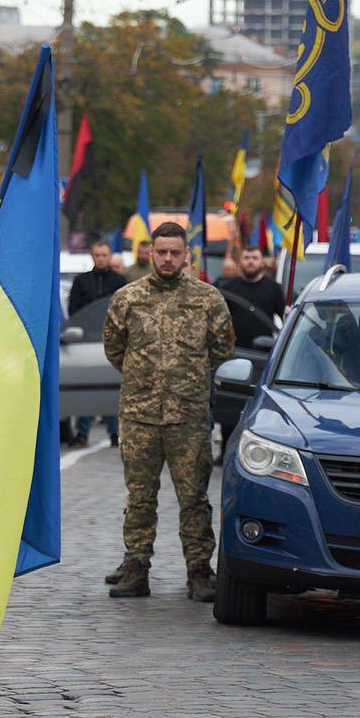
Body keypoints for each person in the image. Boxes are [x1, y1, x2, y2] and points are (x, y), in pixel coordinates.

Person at [101, 222, 234, 602]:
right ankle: (137, 567)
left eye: (175, 253)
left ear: (186, 255)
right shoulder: (128, 299)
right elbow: (115, 350)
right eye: (162, 252)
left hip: (188, 417)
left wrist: (185, 379)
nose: (168, 259)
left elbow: (222, 349)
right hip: (140, 415)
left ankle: (198, 572)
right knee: (140, 497)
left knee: (193, 498)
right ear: (150, 252)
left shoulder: (208, 300)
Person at [68, 239, 128, 448]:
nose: (101, 258)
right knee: (88, 386)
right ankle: (83, 432)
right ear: (92, 256)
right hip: (86, 341)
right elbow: (75, 310)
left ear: (110, 256)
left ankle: (115, 433)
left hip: (113, 341)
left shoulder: (119, 281)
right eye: (97, 255)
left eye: (104, 255)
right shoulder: (82, 282)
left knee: (112, 387)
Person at [217, 244, 287, 326]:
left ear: (262, 262)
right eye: (246, 258)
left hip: (266, 338)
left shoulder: (274, 288)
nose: (250, 261)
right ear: (240, 262)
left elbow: (284, 318)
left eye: (255, 258)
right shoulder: (227, 288)